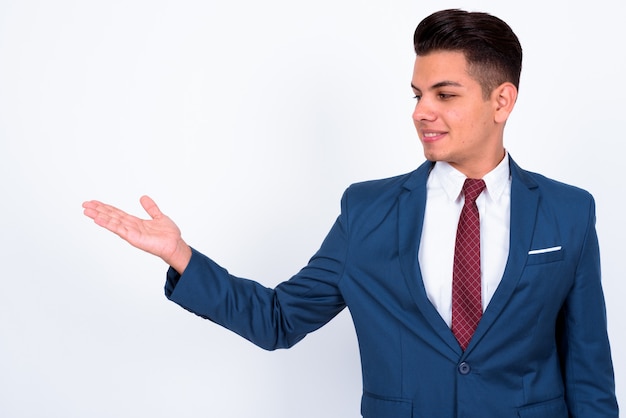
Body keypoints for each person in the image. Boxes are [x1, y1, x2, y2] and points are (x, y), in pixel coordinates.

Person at [82, 9, 618, 418]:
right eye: (416, 94)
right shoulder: (368, 212)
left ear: (502, 101)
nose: (420, 112)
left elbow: (590, 373)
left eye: (443, 94)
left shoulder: (568, 212)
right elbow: (278, 320)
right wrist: (181, 257)